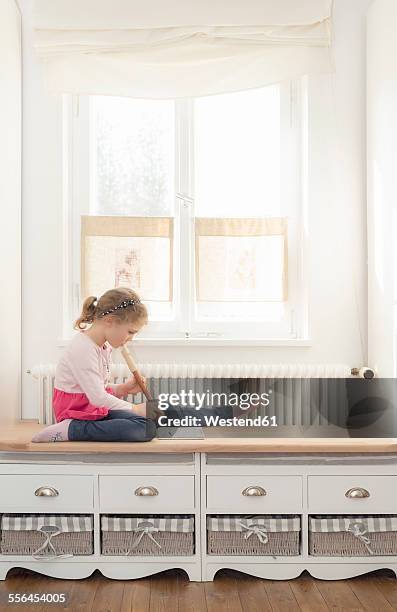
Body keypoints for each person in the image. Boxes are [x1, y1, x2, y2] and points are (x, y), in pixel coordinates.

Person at [31, 288, 157, 443]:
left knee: (149, 426)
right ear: (110, 321)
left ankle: (77, 428)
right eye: (130, 331)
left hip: (93, 409)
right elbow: (98, 397)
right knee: (144, 429)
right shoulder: (83, 348)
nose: (131, 338)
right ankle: (70, 429)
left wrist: (122, 388)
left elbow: (96, 387)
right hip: (76, 412)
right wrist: (135, 408)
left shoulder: (103, 346)